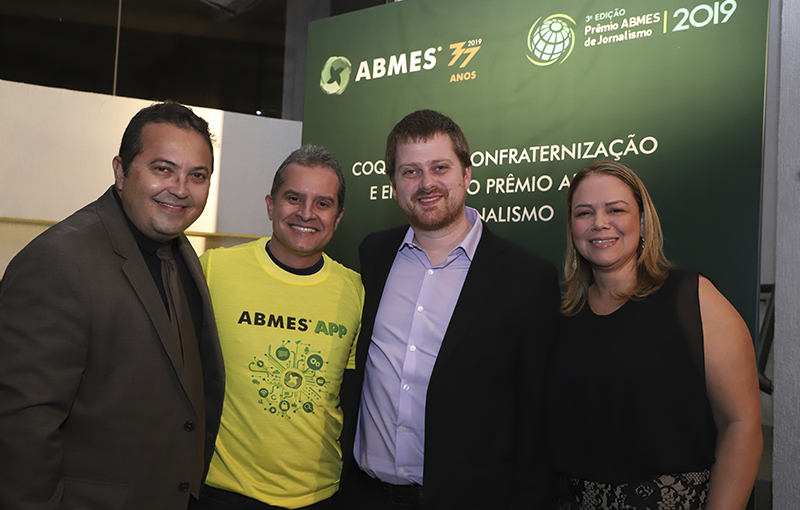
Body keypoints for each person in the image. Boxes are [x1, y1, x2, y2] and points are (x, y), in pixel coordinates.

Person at [0, 101, 225, 509]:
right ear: (121, 171)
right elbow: (21, 425)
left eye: (197, 175)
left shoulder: (181, 251)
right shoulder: (59, 261)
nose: (180, 188)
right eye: (163, 169)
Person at [338, 109, 561, 509]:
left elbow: (537, 418)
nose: (427, 183)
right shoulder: (374, 253)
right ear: (393, 185)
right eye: (410, 172)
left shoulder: (527, 278)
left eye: (440, 168)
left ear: (466, 175)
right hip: (363, 496)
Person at [548, 160, 762, 509]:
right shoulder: (562, 318)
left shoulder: (692, 298)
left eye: (616, 209)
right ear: (572, 228)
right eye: (584, 213)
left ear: (643, 222)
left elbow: (741, 424)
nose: (599, 223)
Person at [196, 145, 364, 510]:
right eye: (294, 198)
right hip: (221, 493)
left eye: (323, 203)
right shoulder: (214, 270)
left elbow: (352, 395)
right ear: (271, 205)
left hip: (321, 496)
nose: (307, 213)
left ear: (338, 217)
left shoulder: (356, 291)